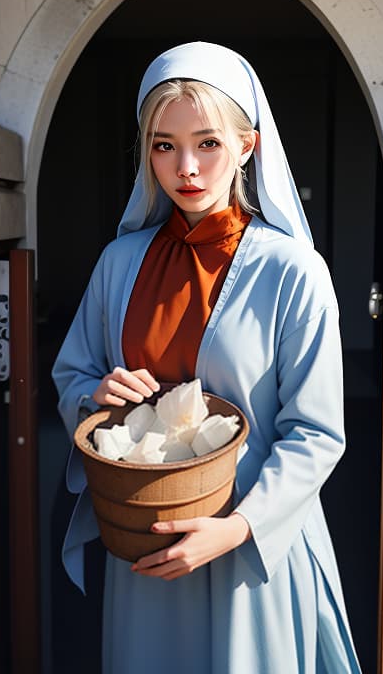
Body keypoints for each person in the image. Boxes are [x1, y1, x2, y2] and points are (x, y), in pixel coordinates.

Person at [52, 41, 362, 674]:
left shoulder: (293, 271)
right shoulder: (119, 263)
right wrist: (96, 394)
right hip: (146, 546)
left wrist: (237, 528)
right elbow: (73, 375)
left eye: (208, 143)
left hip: (249, 551)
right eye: (163, 144)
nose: (185, 166)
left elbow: (317, 433)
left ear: (247, 145)